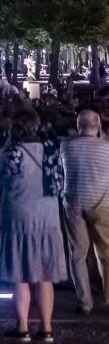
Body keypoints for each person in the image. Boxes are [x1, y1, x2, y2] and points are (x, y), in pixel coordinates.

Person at [0, 112, 67, 343]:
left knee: (19, 274)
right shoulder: (52, 151)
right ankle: (46, 328)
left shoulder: (10, 151)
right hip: (47, 216)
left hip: (18, 215)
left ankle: (23, 328)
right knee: (45, 275)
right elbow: (61, 181)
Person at [59, 109, 109, 314]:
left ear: (78, 126)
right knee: (105, 253)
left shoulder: (66, 146)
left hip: (73, 204)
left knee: (78, 254)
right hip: (102, 204)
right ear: (98, 126)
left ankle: (85, 302)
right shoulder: (106, 148)